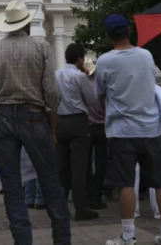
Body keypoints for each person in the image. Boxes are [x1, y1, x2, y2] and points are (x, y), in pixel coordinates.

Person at [0, 0, 71, 245]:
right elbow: (50, 92)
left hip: (2, 118)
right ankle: (62, 240)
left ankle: (23, 241)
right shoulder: (41, 47)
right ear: (28, 24)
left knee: (12, 187)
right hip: (34, 116)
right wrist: (52, 129)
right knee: (50, 180)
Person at [95, 14, 161, 245]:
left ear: (108, 35)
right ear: (129, 31)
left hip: (122, 131)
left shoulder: (104, 61)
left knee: (127, 184)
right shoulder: (146, 55)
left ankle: (128, 236)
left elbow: (100, 95)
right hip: (150, 128)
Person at [55, 43, 99, 221]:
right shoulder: (80, 77)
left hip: (59, 122)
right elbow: (91, 100)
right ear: (80, 58)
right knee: (79, 168)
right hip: (78, 122)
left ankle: (59, 207)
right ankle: (82, 208)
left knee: (61, 168)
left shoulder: (55, 75)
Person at [83, 59, 108, 210]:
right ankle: (96, 196)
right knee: (101, 164)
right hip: (101, 127)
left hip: (86, 127)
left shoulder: (83, 86)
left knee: (85, 164)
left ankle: (87, 194)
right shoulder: (101, 88)